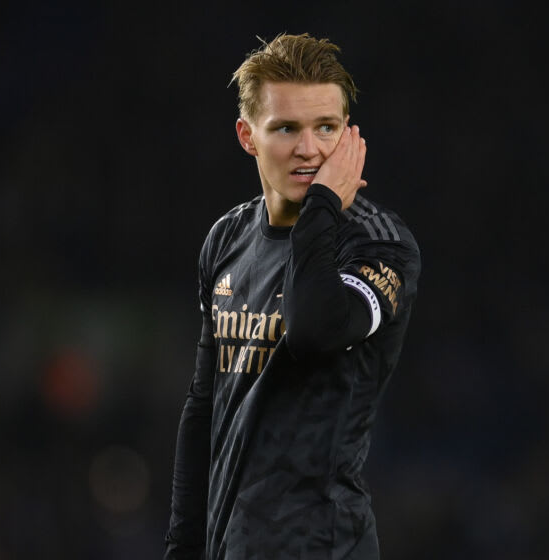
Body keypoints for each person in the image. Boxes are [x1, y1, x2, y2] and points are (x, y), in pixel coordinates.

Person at [164, 32, 421, 559]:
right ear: (247, 135)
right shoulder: (227, 240)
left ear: (349, 137)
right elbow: (205, 406)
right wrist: (182, 545)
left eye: (325, 128)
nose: (309, 149)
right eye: (286, 128)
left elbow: (313, 328)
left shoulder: (378, 244)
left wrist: (323, 203)